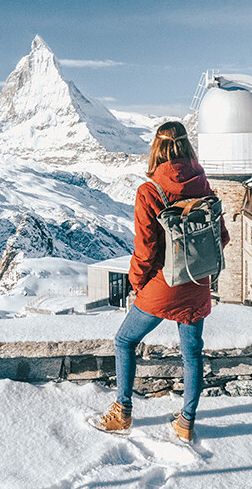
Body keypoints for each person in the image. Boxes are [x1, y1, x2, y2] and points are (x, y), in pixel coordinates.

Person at [90, 121, 229, 441]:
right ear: (186, 146)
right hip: (197, 283)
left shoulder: (150, 191)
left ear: (156, 149)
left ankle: (122, 412)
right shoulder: (204, 184)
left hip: (162, 286)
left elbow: (146, 250)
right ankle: (186, 422)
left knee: (125, 340)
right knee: (192, 354)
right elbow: (220, 236)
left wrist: (137, 282)